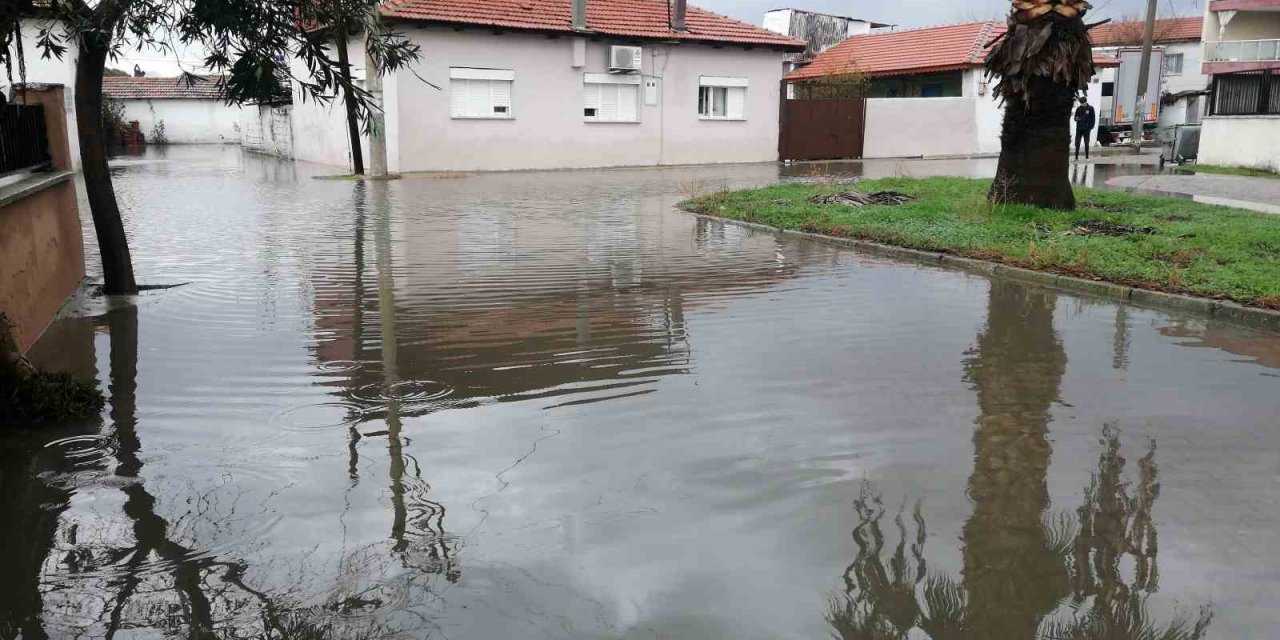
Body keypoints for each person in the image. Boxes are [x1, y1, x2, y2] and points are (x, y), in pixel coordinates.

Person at [1073, 96, 1096, 161]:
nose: (1082, 104)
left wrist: (1091, 126)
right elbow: (1075, 118)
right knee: (1077, 143)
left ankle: (1087, 157)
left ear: (1086, 102)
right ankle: (1076, 157)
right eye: (1081, 103)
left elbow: (1093, 118)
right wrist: (1076, 118)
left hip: (1086, 129)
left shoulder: (1090, 108)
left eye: (1083, 103)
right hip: (1079, 129)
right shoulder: (1078, 109)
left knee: (1086, 143)